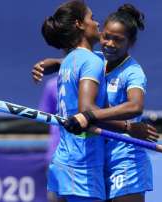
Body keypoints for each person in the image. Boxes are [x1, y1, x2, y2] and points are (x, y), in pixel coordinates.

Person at [32, 4, 158, 202]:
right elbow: (78, 61)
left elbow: (135, 106)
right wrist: (51, 63)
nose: (109, 43)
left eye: (118, 40)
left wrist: (91, 115)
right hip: (100, 157)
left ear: (130, 43)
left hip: (125, 158)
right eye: (105, 36)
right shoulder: (99, 59)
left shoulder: (133, 72)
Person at [41, 0, 108, 201]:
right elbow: (86, 110)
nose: (97, 23)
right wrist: (127, 126)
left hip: (64, 160)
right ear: (79, 24)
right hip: (82, 165)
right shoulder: (90, 61)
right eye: (92, 18)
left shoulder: (69, 62)